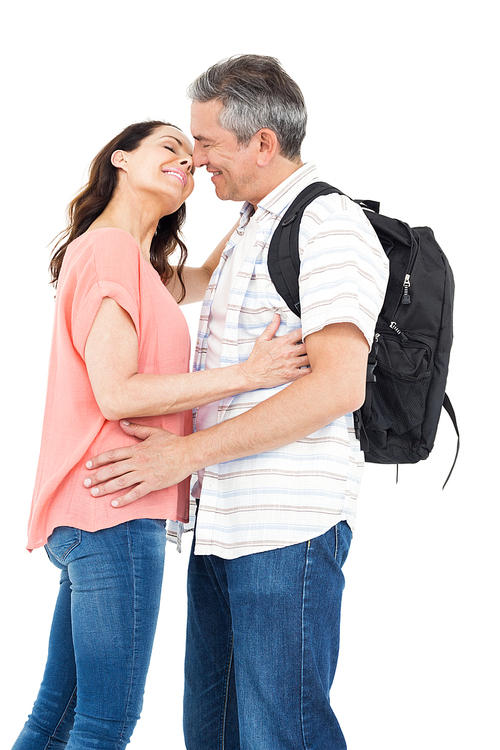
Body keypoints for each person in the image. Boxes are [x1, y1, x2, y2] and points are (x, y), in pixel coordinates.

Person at [84, 56, 390, 749]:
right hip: (222, 530)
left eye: (207, 143)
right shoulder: (255, 223)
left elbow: (341, 383)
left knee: (284, 735)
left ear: (262, 143)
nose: (196, 160)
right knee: (214, 738)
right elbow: (174, 285)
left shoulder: (327, 224)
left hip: (287, 531)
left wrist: (183, 455)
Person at [13, 119, 310, 750]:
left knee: (57, 715)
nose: (188, 161)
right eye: (169, 147)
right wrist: (249, 374)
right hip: (116, 509)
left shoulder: (128, 261)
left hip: (90, 513)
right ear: (120, 158)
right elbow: (118, 391)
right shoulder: (110, 251)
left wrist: (268, 197)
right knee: (103, 723)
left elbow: (200, 277)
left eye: (195, 156)